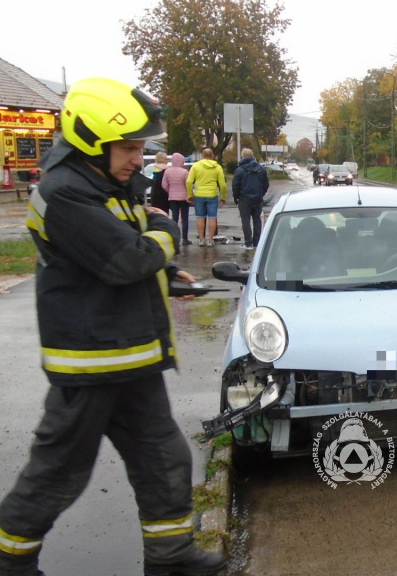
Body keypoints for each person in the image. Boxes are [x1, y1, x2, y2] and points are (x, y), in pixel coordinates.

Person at [0, 78, 225, 576]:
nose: (137, 159)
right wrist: (164, 232)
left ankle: (170, 554)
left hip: (131, 357)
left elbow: (116, 253)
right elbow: (126, 259)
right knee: (58, 473)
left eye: (140, 148)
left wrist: (166, 273)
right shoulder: (64, 194)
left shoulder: (105, 184)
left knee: (164, 458)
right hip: (90, 364)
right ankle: (10, 561)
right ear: (90, 142)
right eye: (128, 148)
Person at [185, 148, 226, 247]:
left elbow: (189, 182)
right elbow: (223, 185)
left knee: (200, 217)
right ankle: (210, 240)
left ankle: (201, 239)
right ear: (212, 156)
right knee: (212, 217)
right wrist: (223, 196)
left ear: (202, 155)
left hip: (199, 194)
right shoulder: (217, 167)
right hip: (212, 194)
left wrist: (190, 194)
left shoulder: (196, 166)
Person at [232, 148, 270, 250]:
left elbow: (235, 185)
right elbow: (266, 184)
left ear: (242, 156)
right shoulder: (261, 169)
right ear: (252, 156)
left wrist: (236, 197)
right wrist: (261, 194)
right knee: (257, 220)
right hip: (257, 199)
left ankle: (248, 243)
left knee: (246, 221)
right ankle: (256, 243)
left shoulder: (240, 170)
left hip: (244, 199)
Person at [162, 152, 191, 246]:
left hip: (172, 197)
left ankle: (175, 239)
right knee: (184, 218)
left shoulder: (167, 171)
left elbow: (164, 185)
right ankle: (185, 239)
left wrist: (170, 191)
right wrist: (189, 195)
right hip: (184, 198)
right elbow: (188, 185)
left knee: (174, 218)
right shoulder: (185, 172)